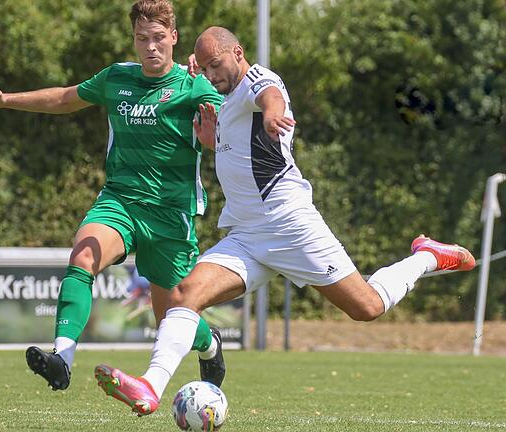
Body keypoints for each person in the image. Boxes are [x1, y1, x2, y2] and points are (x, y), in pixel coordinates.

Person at [94, 26, 476, 416]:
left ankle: (426, 256)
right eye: (205, 68)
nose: (211, 75)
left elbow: (270, 95)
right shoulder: (222, 99)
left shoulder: (258, 80)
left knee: (367, 307)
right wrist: (212, 141)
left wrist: (275, 113)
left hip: (290, 226)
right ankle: (150, 385)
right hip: (245, 235)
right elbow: (240, 148)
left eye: (216, 65)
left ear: (238, 52)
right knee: (182, 295)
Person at [0, 0, 226, 392]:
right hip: (119, 201)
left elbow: (235, 120)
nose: (150, 47)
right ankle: (62, 358)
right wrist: (5, 100)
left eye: (158, 38)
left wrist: (214, 134)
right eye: (142, 39)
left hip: (171, 214)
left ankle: (210, 345)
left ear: (173, 38)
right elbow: (66, 98)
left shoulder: (195, 85)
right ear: (133, 41)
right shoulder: (116, 78)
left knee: (172, 313)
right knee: (82, 255)